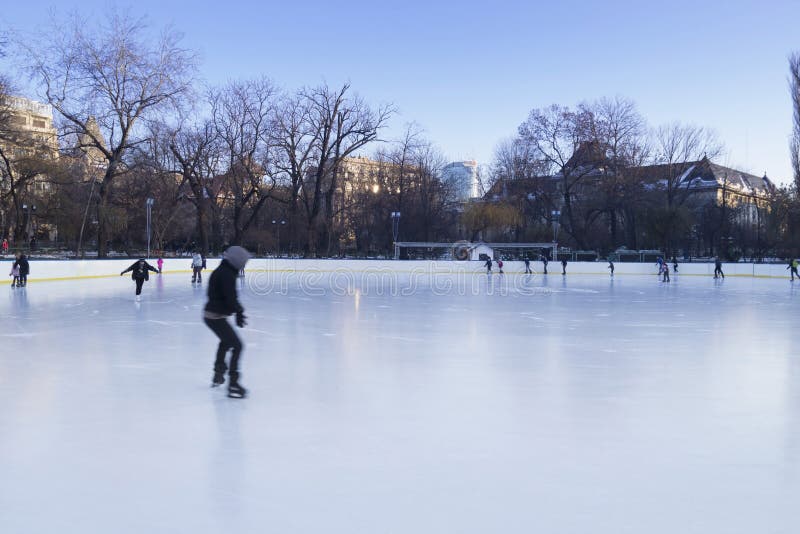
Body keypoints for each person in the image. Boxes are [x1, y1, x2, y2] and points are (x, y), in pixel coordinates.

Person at [204, 246, 251, 399]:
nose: (244, 265)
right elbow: (230, 298)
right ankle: (233, 384)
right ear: (237, 261)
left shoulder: (224, 271)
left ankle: (218, 373)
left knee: (226, 342)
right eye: (243, 262)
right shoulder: (227, 274)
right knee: (237, 345)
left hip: (213, 315)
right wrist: (238, 311)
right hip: (215, 316)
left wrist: (235, 310)